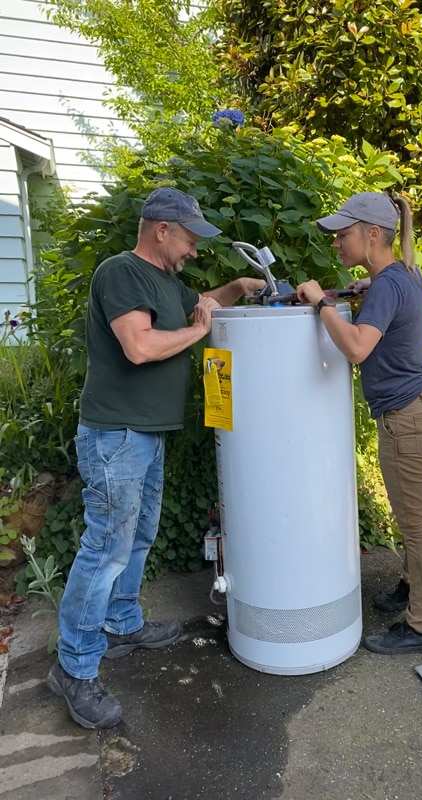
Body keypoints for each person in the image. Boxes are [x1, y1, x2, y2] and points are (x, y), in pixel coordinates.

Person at [47, 187, 265, 729]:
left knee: (136, 538)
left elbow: (197, 307)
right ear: (162, 229)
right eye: (190, 237)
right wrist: (200, 329)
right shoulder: (121, 272)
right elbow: (140, 346)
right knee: (105, 549)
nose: (194, 249)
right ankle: (73, 667)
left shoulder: (165, 282)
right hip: (116, 435)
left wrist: (234, 288)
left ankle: (121, 622)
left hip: (145, 434)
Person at [296, 192, 422, 656]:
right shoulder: (403, 273)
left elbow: (358, 348)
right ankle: (409, 586)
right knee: (411, 519)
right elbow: (393, 304)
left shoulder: (387, 284)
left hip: (407, 418)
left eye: (344, 234)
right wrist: (364, 287)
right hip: (421, 408)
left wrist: (322, 302)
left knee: (415, 525)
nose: (337, 243)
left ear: (373, 234)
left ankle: (421, 625)